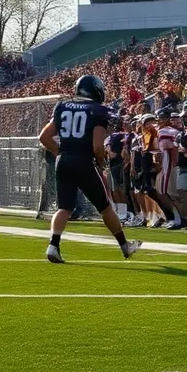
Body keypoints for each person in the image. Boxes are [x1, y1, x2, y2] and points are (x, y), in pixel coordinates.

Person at [38, 75, 142, 264]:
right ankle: (124, 245)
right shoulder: (98, 110)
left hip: (64, 160)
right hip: (83, 160)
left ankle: (53, 245)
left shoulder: (63, 106)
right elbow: (97, 146)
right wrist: (101, 162)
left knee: (64, 208)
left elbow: (44, 137)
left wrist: (58, 152)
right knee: (104, 206)